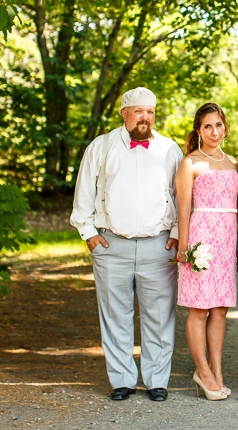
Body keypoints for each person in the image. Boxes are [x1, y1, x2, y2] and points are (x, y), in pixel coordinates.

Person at [70, 87, 184, 402]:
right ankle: (121, 379)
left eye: (149, 112)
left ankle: (157, 380)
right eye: (138, 111)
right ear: (124, 113)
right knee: (115, 314)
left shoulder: (168, 149)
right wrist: (90, 234)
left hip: (158, 245)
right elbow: (83, 196)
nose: (145, 117)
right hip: (111, 245)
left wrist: (175, 232)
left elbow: (180, 196)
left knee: (159, 314)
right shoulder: (101, 147)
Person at [175, 103, 238, 401]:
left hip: (227, 239)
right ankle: (201, 371)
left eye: (218, 125)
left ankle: (217, 369)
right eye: (207, 127)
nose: (214, 131)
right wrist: (184, 246)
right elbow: (184, 209)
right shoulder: (191, 162)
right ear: (198, 131)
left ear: (224, 127)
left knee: (221, 309)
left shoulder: (233, 162)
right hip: (201, 237)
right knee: (199, 307)